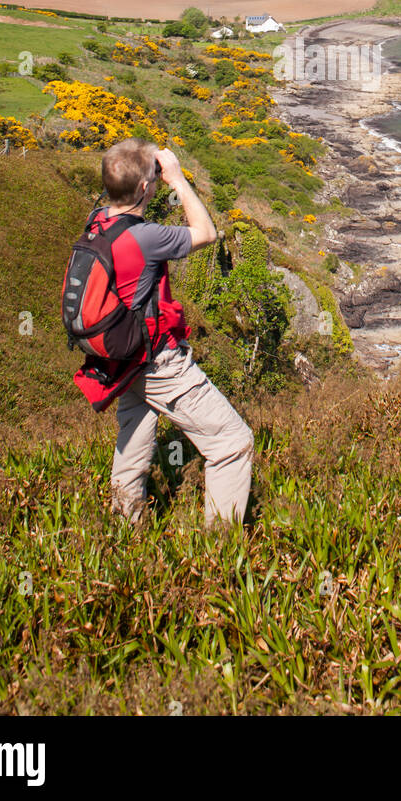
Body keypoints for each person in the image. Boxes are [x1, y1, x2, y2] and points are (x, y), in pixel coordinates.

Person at [91, 137, 254, 529]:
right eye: (152, 178)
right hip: (156, 360)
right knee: (232, 443)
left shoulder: (98, 220)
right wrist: (179, 181)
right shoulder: (145, 238)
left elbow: (126, 194)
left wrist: (138, 171)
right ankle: (217, 549)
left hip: (118, 357)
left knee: (134, 443)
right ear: (147, 187)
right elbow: (206, 232)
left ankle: (124, 532)